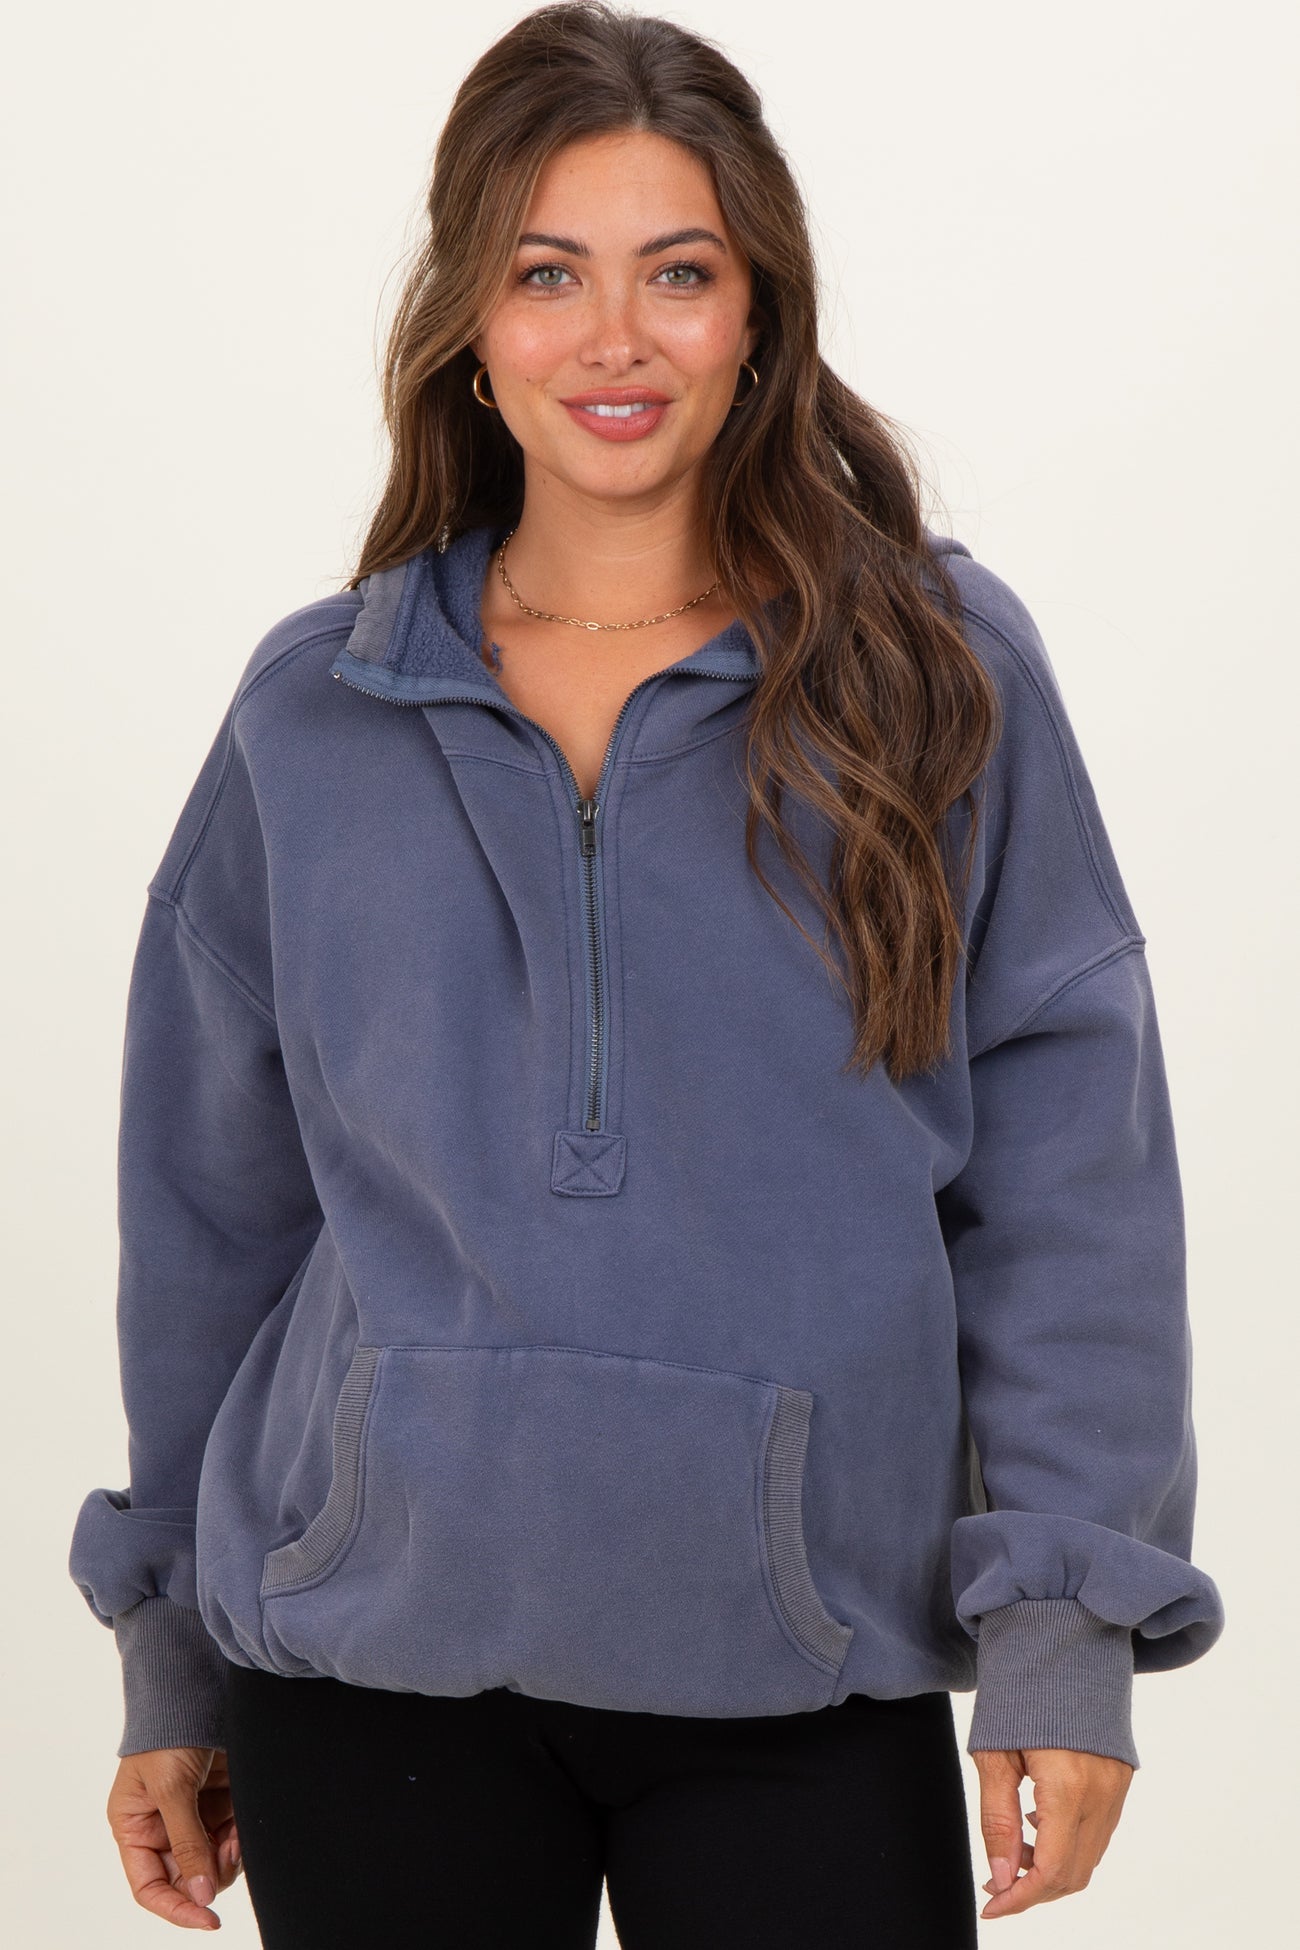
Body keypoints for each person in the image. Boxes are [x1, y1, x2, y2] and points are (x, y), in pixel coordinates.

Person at [68, 5, 1226, 1944]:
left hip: (805, 1668)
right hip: (369, 1679)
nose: (614, 338)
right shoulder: (316, 712)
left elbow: (1069, 1187)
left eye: (676, 273)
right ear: (469, 320)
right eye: (549, 275)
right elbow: (209, 1217)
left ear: (757, 310)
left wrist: (1064, 1625)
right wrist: (171, 1652)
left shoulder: (929, 677)